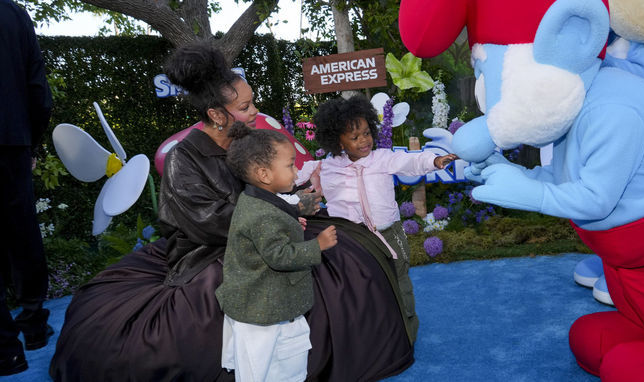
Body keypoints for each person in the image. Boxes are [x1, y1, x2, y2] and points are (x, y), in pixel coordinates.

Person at [50, 41, 255, 381]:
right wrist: (273, 215)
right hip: (205, 252)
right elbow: (210, 222)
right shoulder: (183, 159)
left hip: (250, 233)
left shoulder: (245, 143)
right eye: (246, 107)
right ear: (218, 115)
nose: (253, 113)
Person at [298, 94, 457, 348]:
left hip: (388, 235)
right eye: (354, 137)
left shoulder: (382, 158)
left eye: (366, 133)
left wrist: (434, 161)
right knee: (361, 290)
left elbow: (411, 162)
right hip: (349, 241)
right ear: (336, 141)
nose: (364, 141)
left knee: (400, 282)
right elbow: (293, 182)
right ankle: (370, 340)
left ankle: (407, 335)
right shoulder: (326, 167)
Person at [218, 123, 337, 382]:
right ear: (264, 174)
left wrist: (298, 205)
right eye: (291, 165)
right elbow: (279, 256)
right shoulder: (262, 215)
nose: (296, 172)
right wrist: (318, 245)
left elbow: (282, 206)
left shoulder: (256, 199)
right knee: (270, 369)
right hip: (263, 310)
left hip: (263, 304)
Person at [0, 0, 54, 376]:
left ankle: (6, 350)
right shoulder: (12, 13)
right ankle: (33, 327)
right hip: (11, 141)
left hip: (15, 139)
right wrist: (28, 142)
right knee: (22, 232)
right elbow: (39, 90)